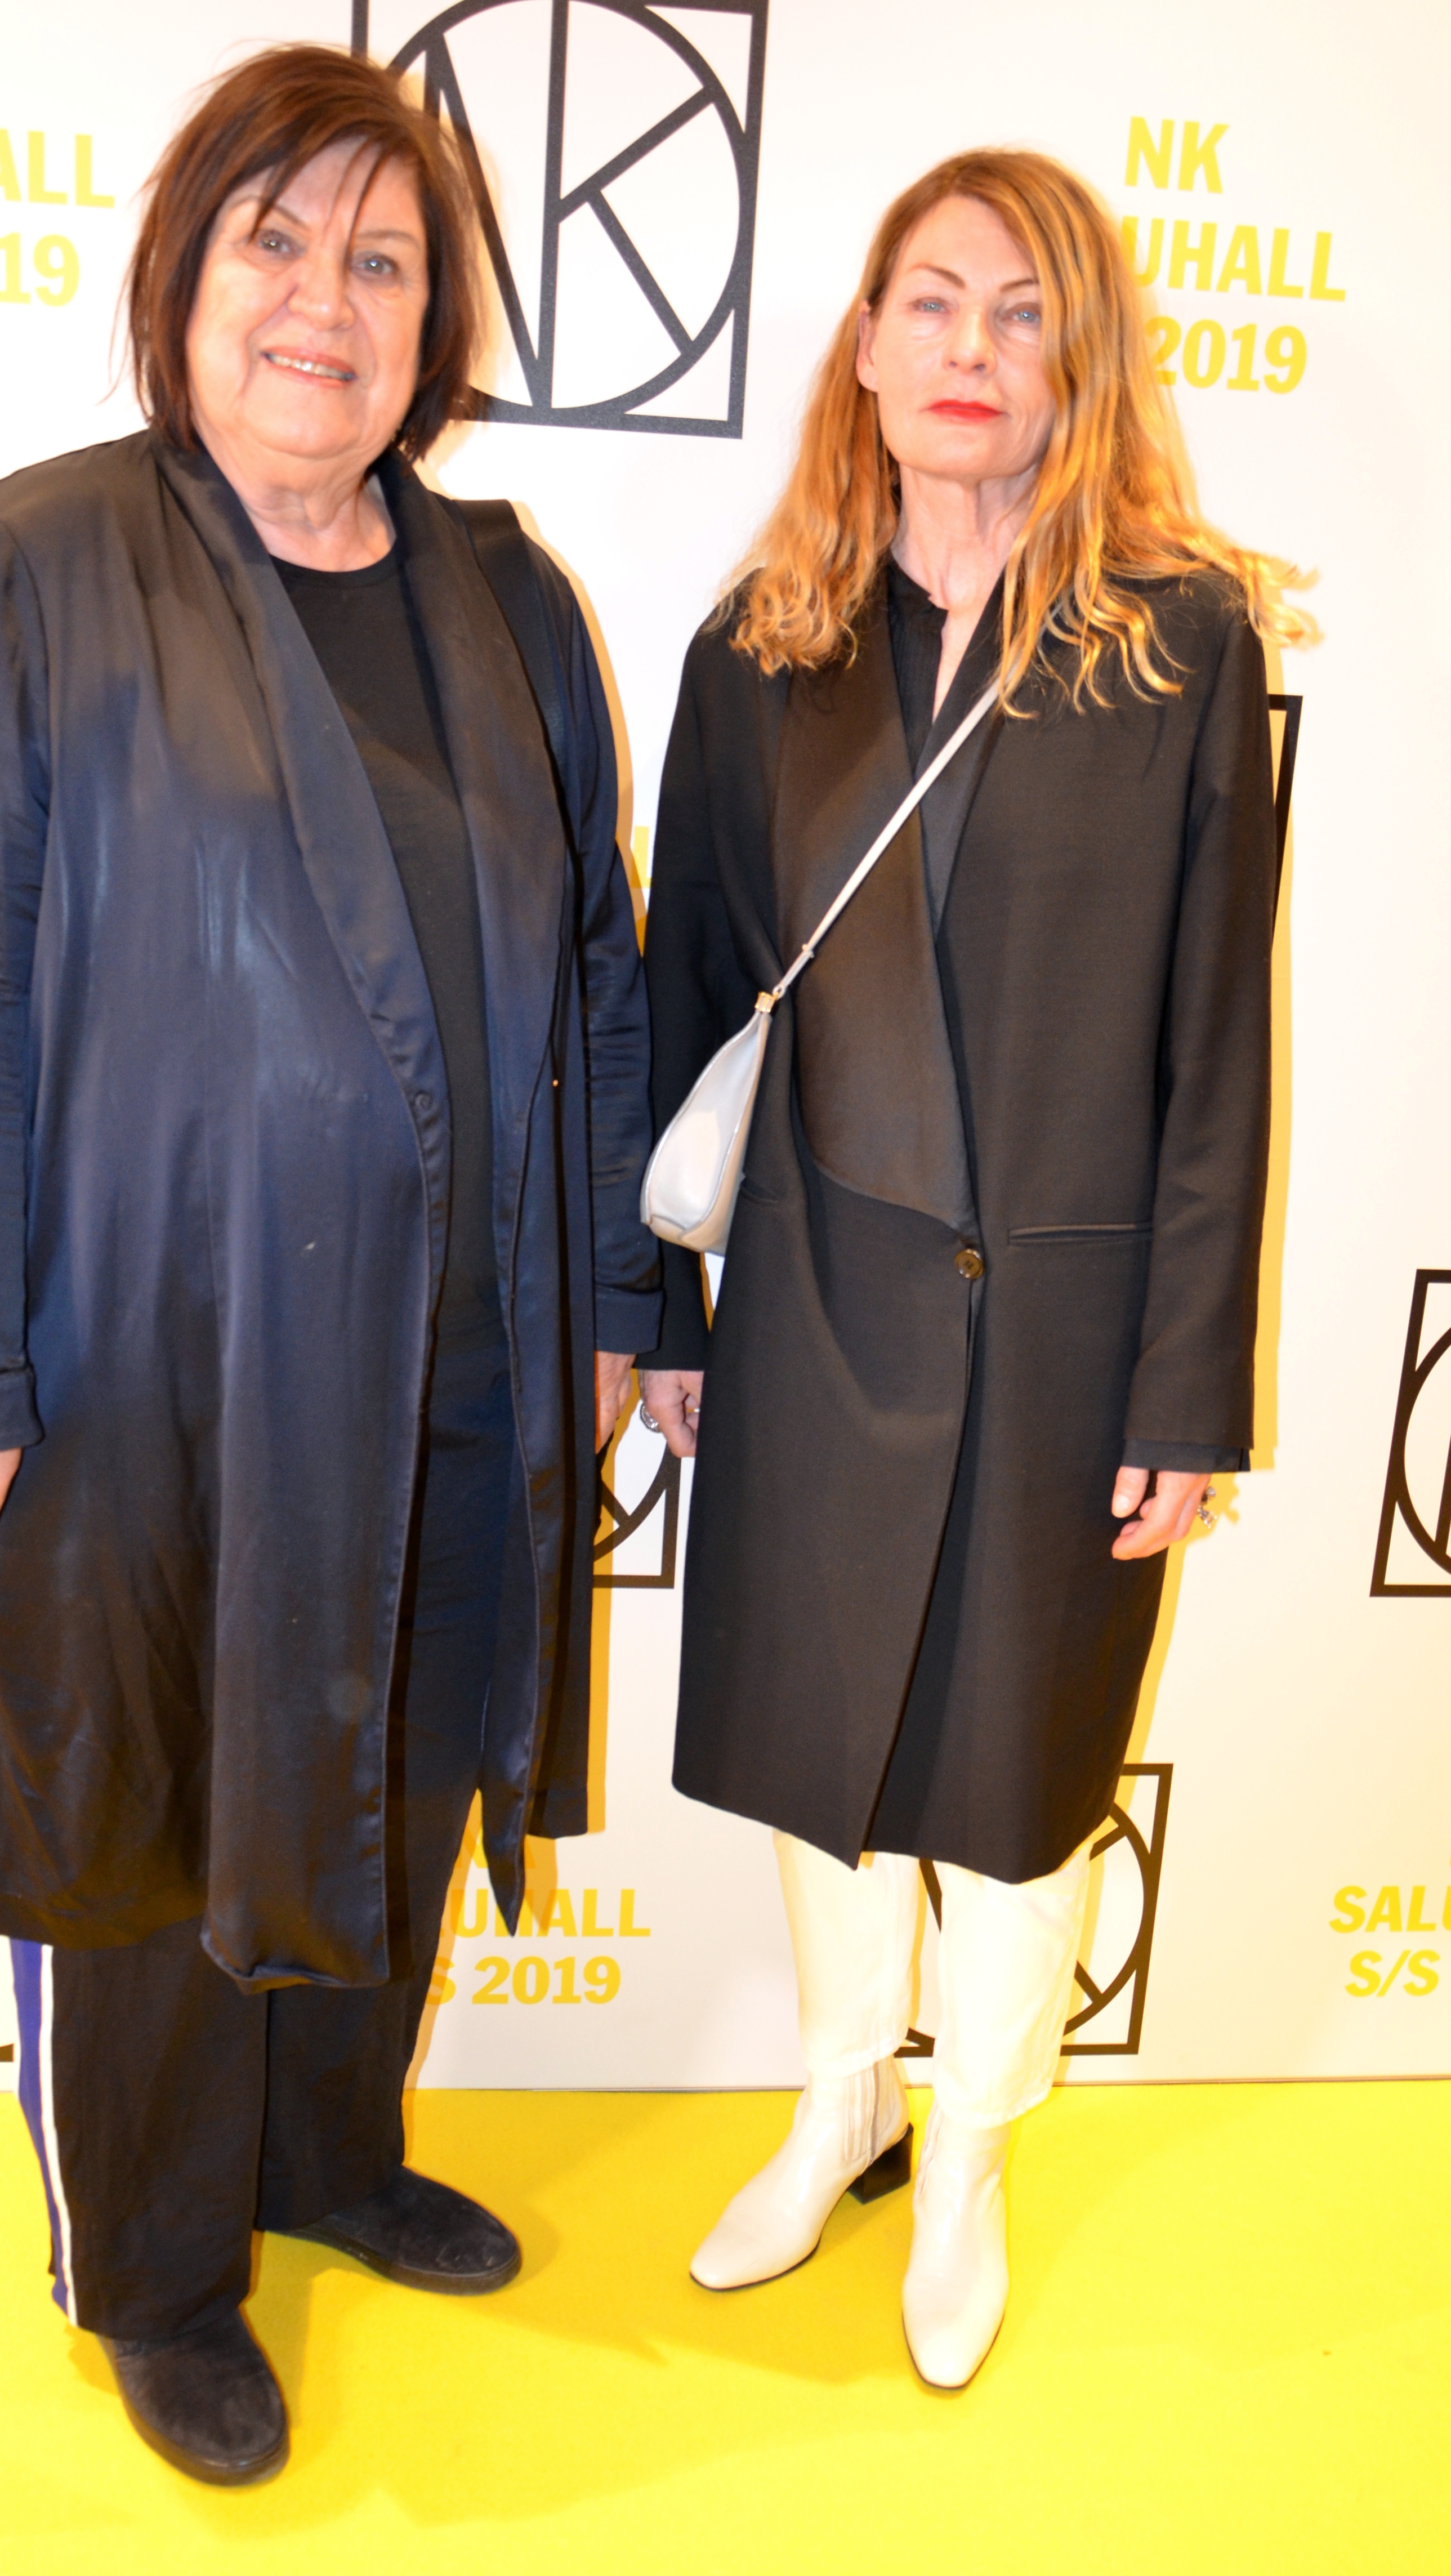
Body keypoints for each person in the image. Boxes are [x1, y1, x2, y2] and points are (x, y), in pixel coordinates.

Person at [0, 44, 658, 2485]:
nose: (330, 298)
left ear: (438, 324)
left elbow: (600, 974)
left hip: (464, 1353)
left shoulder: (509, 601)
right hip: (148, 1354)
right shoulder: (48, 556)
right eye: (277, 240)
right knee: (149, 1815)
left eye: (384, 257)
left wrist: (620, 1303)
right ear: (184, 279)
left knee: (393, 1770)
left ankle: (327, 2155)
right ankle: (156, 2262)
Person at [637, 149, 1303, 2389]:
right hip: (813, 1304)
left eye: (1022, 312)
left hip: (1071, 1328)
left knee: (1016, 1782)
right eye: (928, 300)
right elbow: (686, 995)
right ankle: (842, 2102)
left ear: (1075, 366)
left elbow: (1216, 1042)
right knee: (822, 1742)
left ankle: (972, 2157)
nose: (968, 348)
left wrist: (1185, 1388)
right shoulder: (762, 647)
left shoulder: (1182, 643)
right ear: (861, 344)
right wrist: (662, 1315)